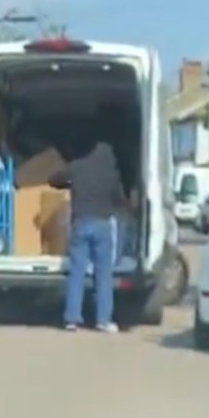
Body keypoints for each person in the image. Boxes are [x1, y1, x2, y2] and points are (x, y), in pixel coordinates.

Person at [49, 121, 125, 333]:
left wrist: (68, 183)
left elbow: (54, 180)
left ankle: (72, 319)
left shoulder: (78, 166)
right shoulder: (111, 171)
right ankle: (103, 320)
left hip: (81, 223)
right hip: (102, 225)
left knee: (77, 271)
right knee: (103, 273)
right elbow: (119, 199)